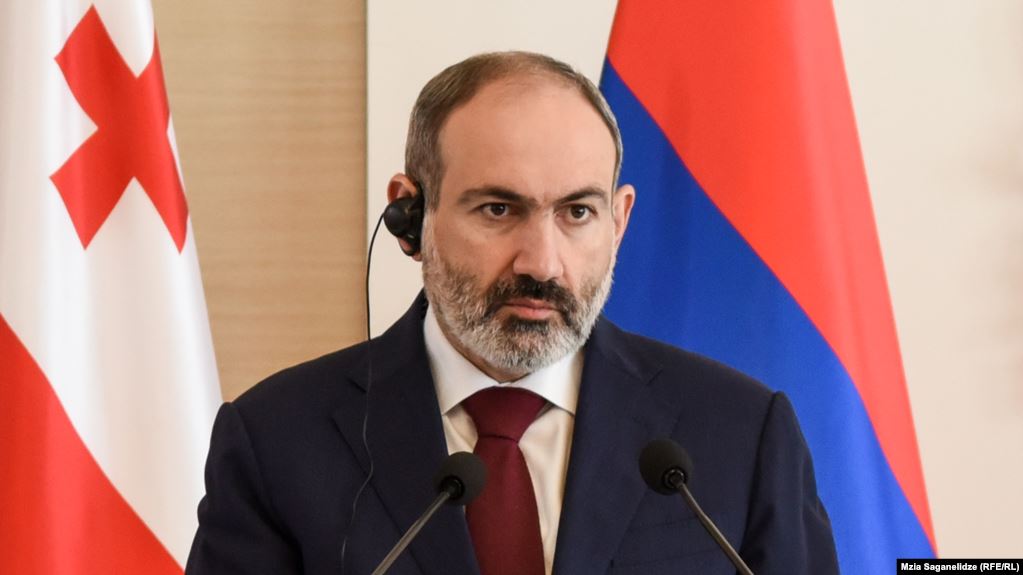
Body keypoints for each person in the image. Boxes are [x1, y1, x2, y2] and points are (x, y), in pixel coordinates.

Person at [186, 51, 838, 575]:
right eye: (498, 210)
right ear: (410, 216)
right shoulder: (278, 440)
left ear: (618, 222)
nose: (542, 263)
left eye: (577, 212)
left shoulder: (740, 434)